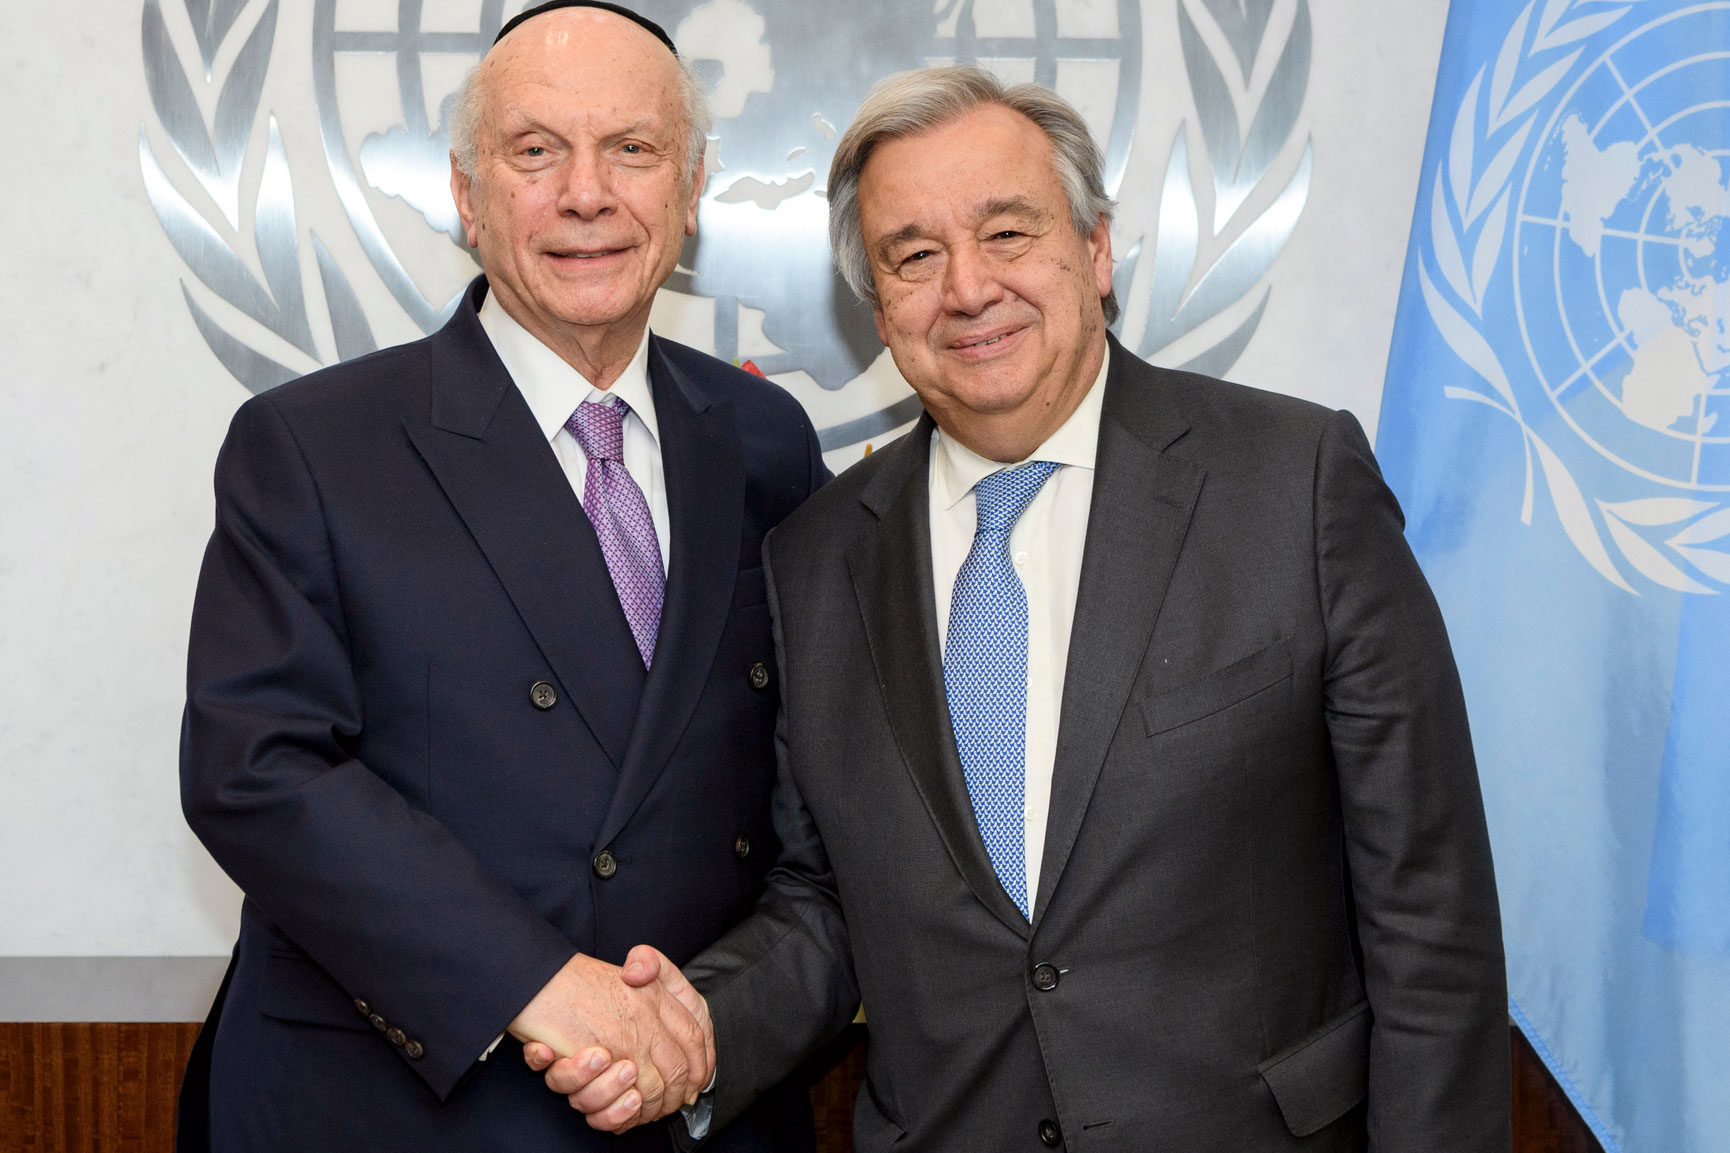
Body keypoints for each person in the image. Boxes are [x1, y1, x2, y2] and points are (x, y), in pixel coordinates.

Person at [543, 66, 1512, 1150]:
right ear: (876, 309)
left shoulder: (1295, 483)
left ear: (1092, 251)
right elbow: (829, 897)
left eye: (1006, 234)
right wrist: (699, 1024)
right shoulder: (816, 561)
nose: (965, 288)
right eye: (913, 256)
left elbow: (1428, 921)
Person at [175, 3, 826, 1149]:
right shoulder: (315, 443)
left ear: (690, 190)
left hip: (690, 1105)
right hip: (396, 1105)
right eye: (536, 153)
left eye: (632, 149)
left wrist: (710, 1022)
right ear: (468, 197)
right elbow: (257, 768)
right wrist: (534, 980)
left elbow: (808, 795)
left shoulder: (766, 442)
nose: (586, 193)